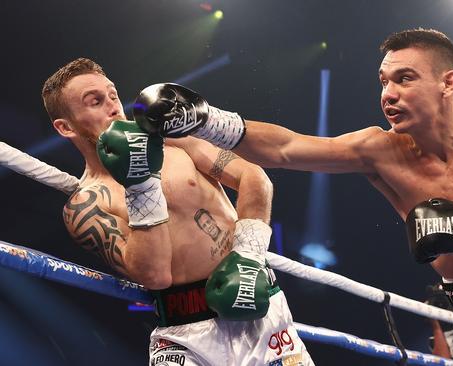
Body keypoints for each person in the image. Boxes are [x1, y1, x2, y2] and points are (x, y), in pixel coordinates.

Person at [134, 28, 453, 366]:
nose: (388, 93)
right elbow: (286, 147)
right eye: (383, 81)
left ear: (448, 83)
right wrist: (206, 119)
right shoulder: (381, 152)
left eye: (404, 79)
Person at [41, 58, 313, 366]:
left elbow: (254, 177)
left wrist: (248, 257)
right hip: (183, 335)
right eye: (95, 102)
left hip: (258, 309)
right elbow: (155, 275)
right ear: (65, 127)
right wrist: (140, 181)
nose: (113, 107)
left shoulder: (177, 143)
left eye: (112, 95)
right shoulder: (87, 205)